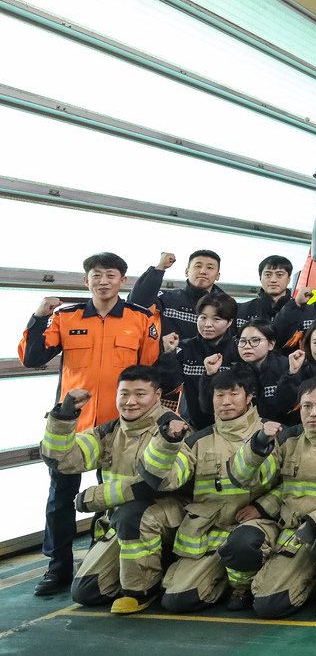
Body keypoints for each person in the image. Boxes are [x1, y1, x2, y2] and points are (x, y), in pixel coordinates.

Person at [19, 251, 161, 596]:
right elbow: (33, 357)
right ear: (86, 281)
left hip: (121, 429)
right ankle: (58, 568)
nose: (103, 281)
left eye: (110, 275)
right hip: (75, 426)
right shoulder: (64, 317)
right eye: (96, 275)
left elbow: (148, 373)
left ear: (122, 281)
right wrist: (38, 317)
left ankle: (105, 563)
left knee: (116, 497)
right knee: (60, 498)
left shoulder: (140, 318)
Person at [220, 378, 316, 620]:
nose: (313, 413)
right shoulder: (288, 438)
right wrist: (259, 445)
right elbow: (246, 478)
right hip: (288, 527)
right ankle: (243, 588)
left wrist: (315, 523)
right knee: (245, 552)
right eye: (307, 406)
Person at [40, 367, 184, 613]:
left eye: (140, 394)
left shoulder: (173, 430)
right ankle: (149, 567)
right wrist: (64, 417)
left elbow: (156, 483)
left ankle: (141, 590)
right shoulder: (110, 431)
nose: (130, 402)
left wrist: (95, 497)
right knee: (86, 591)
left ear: (158, 395)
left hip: (166, 519)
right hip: (121, 523)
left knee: (133, 515)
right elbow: (63, 460)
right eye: (124, 394)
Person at [137, 369, 275, 612]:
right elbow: (167, 480)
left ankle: (242, 587)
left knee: (244, 546)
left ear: (249, 397)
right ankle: (219, 579)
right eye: (219, 395)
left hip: (255, 528)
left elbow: (290, 484)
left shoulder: (271, 433)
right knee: (175, 600)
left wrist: (263, 507)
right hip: (208, 532)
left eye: (234, 394)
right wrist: (167, 442)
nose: (226, 402)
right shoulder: (198, 440)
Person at [156, 292, 239, 429]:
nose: (207, 324)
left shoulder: (238, 351)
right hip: (191, 424)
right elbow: (167, 384)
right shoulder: (184, 347)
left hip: (232, 426)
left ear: (229, 322)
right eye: (203, 317)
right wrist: (168, 353)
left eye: (216, 319)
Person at [201, 321, 295, 424]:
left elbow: (289, 406)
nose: (246, 346)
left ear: (271, 344)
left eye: (255, 340)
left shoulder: (288, 367)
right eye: (242, 341)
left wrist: (291, 375)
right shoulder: (236, 371)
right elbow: (209, 408)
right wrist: (210, 375)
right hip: (249, 431)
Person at [129, 250, 225, 341]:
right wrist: (160, 267)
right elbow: (136, 303)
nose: (203, 271)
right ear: (186, 272)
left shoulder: (227, 307)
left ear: (218, 276)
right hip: (165, 357)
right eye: (198, 266)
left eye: (210, 268)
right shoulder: (165, 298)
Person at [237, 255, 293, 328]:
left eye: (279, 275)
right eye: (268, 274)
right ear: (260, 278)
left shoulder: (300, 310)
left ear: (288, 279)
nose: (273, 280)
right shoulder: (241, 310)